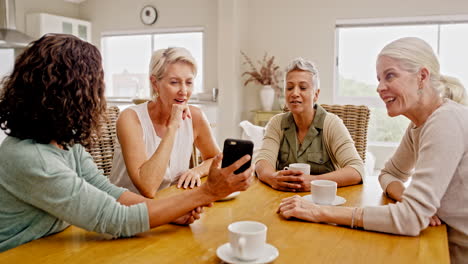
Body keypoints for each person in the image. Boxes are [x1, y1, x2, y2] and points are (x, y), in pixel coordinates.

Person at [0, 34, 253, 252]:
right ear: (71, 94)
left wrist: (170, 211)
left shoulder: (65, 144)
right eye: (96, 84)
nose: (100, 92)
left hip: (58, 245)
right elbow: (115, 218)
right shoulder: (32, 158)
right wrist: (206, 193)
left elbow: (110, 192)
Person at [277, 37, 468, 264]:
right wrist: (409, 198)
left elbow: (409, 219)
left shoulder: (445, 121)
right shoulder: (418, 126)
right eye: (379, 79)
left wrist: (319, 212)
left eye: (390, 75)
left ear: (422, 77)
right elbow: (389, 174)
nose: (379, 87)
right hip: (442, 240)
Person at [109, 47, 220, 198]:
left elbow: (216, 158)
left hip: (169, 205)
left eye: (189, 82)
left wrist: (196, 171)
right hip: (126, 210)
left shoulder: (195, 117)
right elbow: (148, 187)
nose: (184, 91)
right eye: (174, 82)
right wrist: (173, 127)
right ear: (155, 83)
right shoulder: (130, 118)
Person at [255, 58, 364, 192]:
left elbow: (357, 170)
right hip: (283, 200)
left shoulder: (331, 124)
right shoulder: (277, 123)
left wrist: (313, 182)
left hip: (323, 202)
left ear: (316, 94)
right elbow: (262, 161)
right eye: (289, 87)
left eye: (303, 87)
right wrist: (272, 178)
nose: (294, 93)